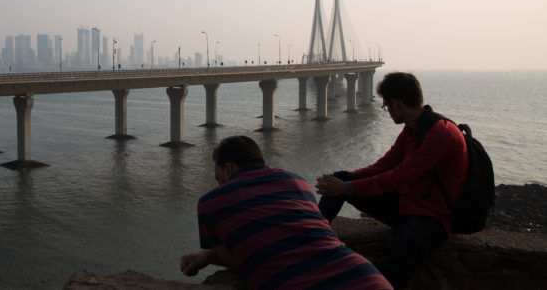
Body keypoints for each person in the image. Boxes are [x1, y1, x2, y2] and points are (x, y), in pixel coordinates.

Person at [315, 72, 468, 289]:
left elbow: (400, 175)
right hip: (405, 206)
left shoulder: (441, 133)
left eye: (386, 106)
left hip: (430, 217)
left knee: (393, 269)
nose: (387, 111)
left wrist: (348, 188)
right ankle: (312, 239)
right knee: (340, 178)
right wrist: (340, 182)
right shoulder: (411, 130)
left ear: (396, 103)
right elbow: (383, 166)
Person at [180, 135, 391, 290]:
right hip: (366, 277)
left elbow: (239, 260)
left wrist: (208, 256)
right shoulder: (297, 181)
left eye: (218, 177)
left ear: (228, 169)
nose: (219, 184)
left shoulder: (210, 202)